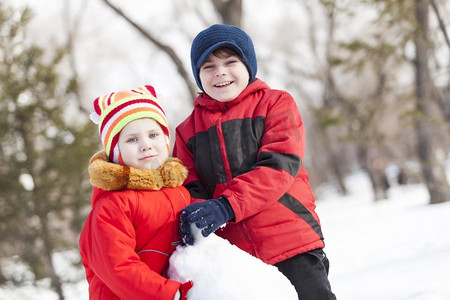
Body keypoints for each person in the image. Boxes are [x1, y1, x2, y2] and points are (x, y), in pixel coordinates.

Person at [173, 24, 336, 300]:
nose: (220, 72)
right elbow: (189, 186)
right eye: (208, 66)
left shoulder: (276, 104)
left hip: (291, 241)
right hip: (238, 259)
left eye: (230, 62)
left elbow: (279, 165)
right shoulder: (187, 131)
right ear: (198, 76)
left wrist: (226, 206)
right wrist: (199, 215)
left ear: (248, 65)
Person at [79, 85, 193, 300]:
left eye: (153, 135)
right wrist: (170, 294)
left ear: (166, 140)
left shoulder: (179, 192)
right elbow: (118, 267)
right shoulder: (113, 206)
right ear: (116, 152)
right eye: (132, 139)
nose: (146, 145)